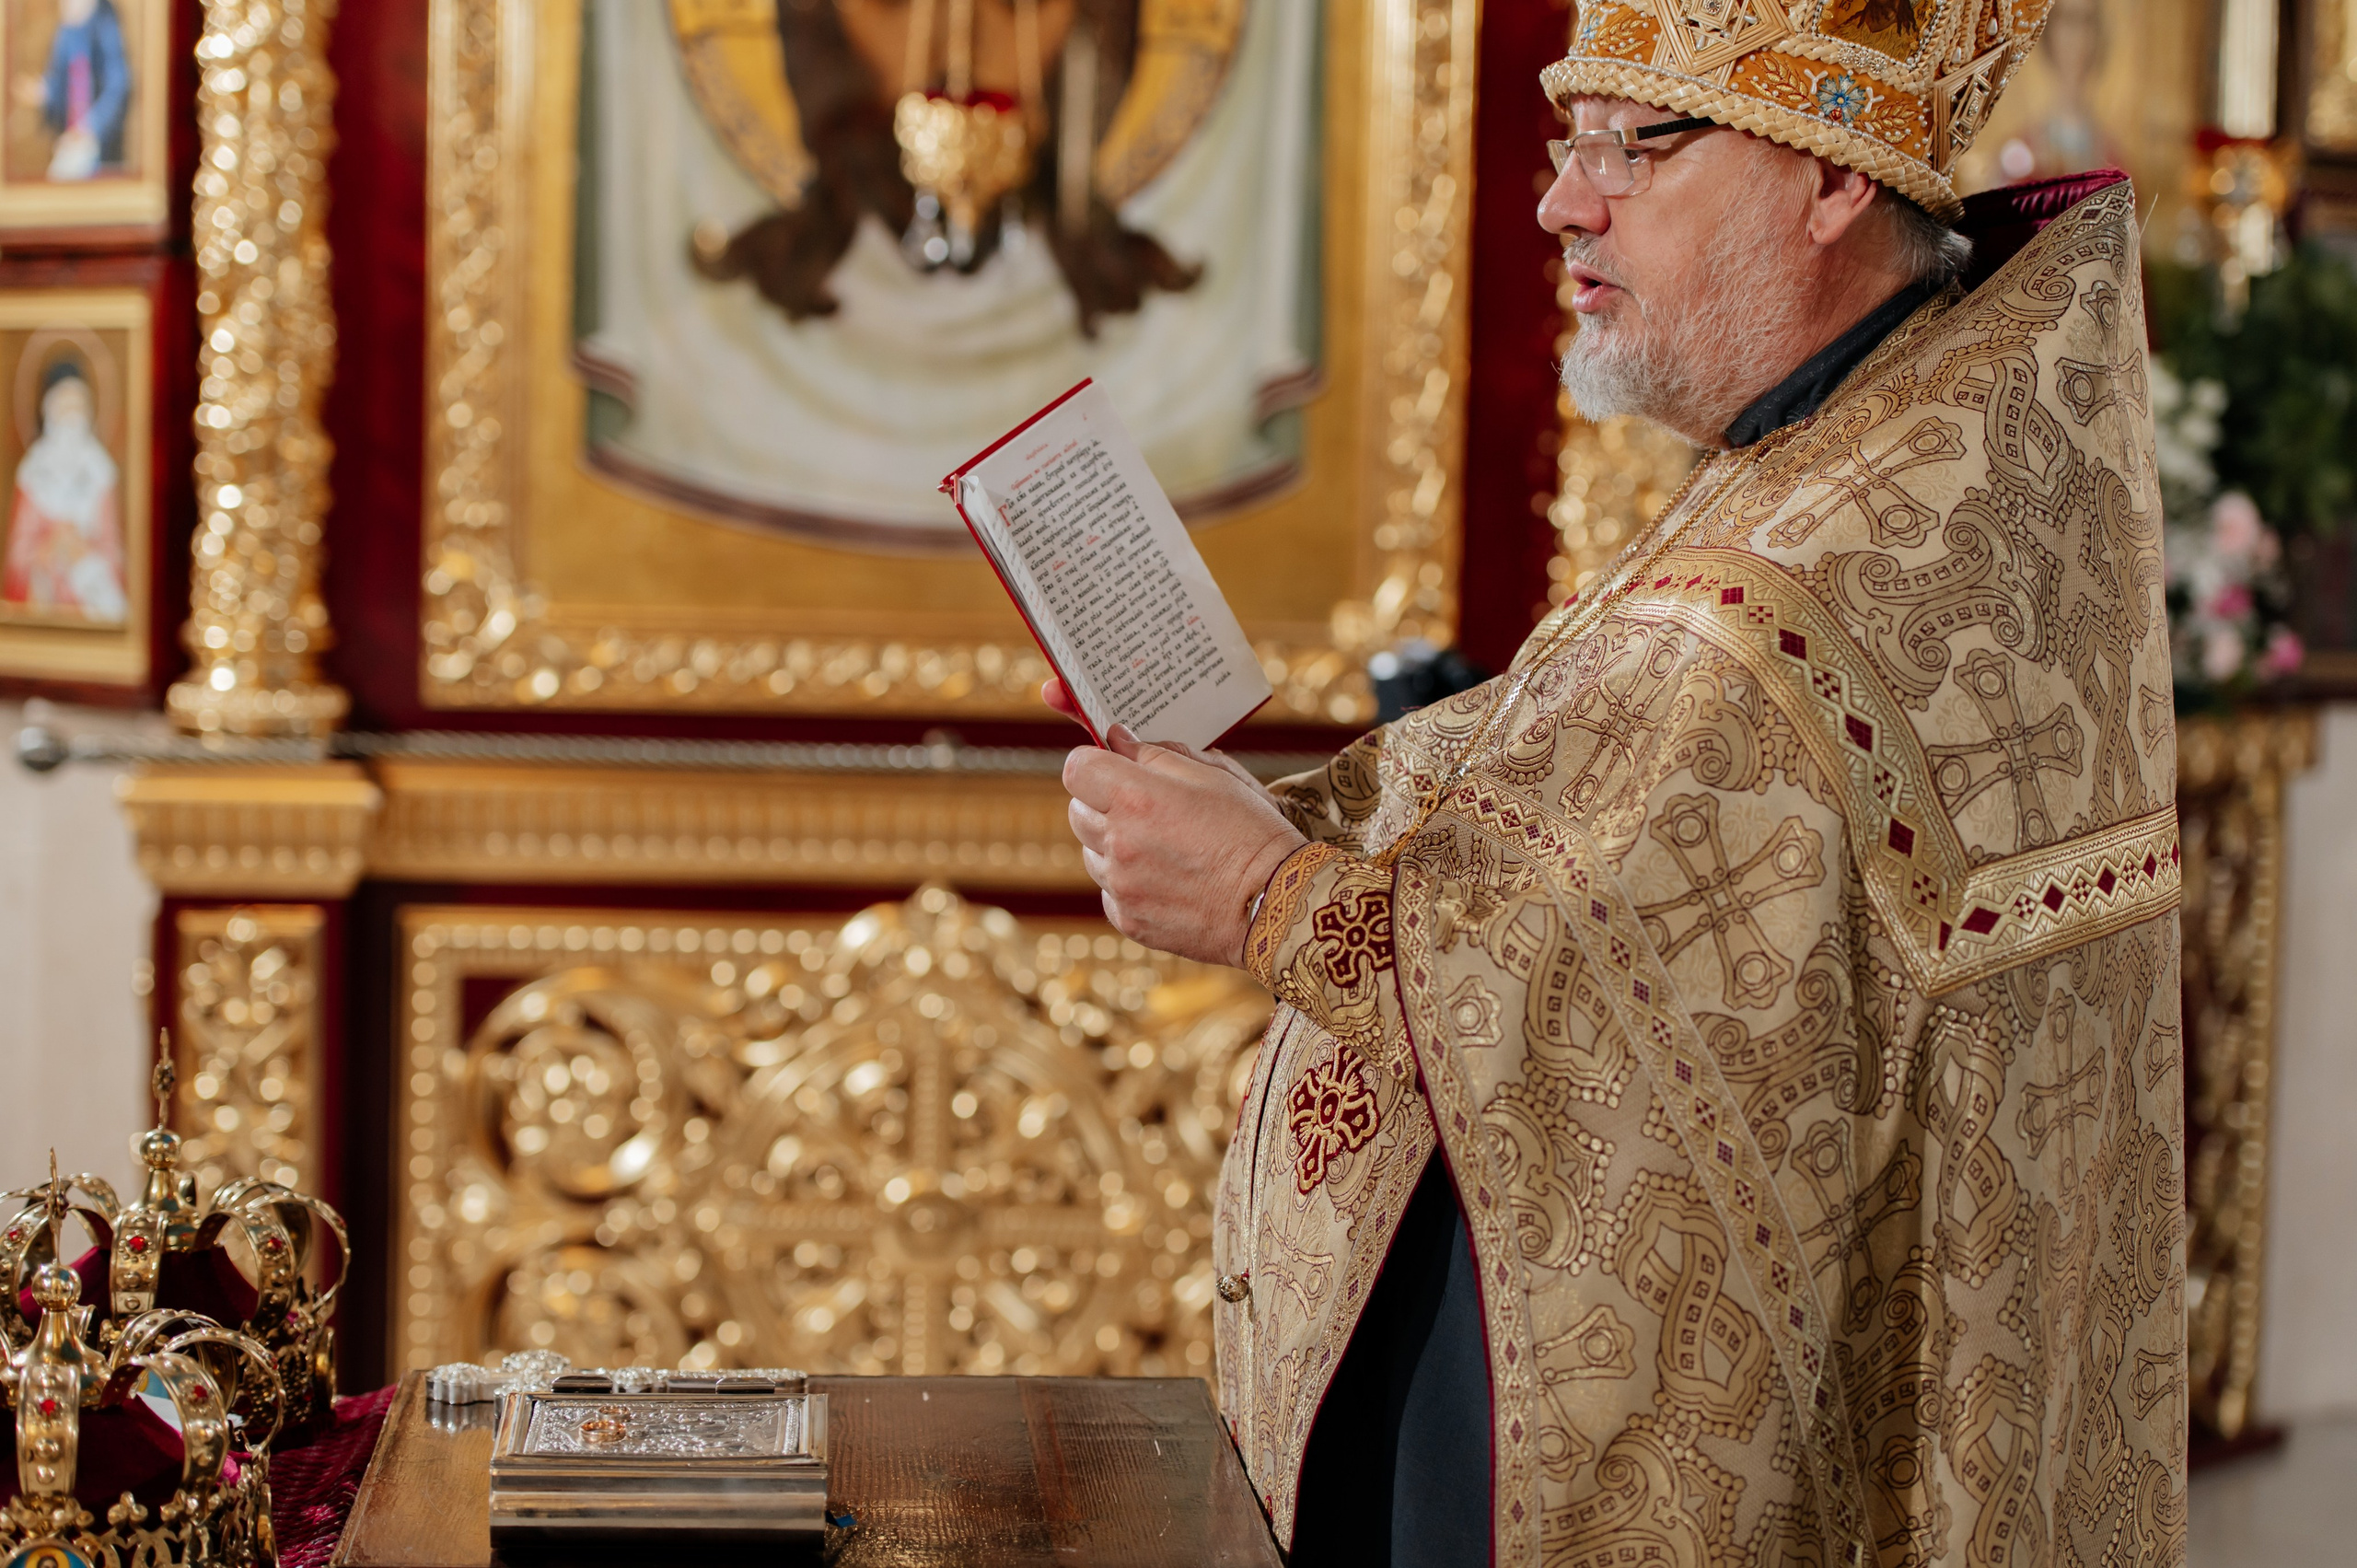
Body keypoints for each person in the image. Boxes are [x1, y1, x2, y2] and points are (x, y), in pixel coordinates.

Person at [1048, 1, 2185, 1562]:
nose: (1562, 201)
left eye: (1633, 145)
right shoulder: (1884, 431)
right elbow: (1608, 812)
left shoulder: (1850, 543)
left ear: (1831, 175)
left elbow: (1619, 1003)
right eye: (1567, 141)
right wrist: (1302, 824)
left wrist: (1269, 896)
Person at [2, 360, 126, 622]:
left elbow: (112, 548)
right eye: (64, 407)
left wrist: (82, 550)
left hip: (91, 597)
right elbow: (17, 555)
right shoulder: (31, 473)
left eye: (77, 408)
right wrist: (50, 547)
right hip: (43, 597)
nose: (71, 418)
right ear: (49, 411)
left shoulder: (100, 473)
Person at [32, 0, 132, 181]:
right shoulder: (65, 33)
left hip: (98, 143)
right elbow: (58, 81)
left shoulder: (106, 24)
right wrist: (44, 92)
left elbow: (118, 86)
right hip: (70, 138)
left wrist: (91, 127)